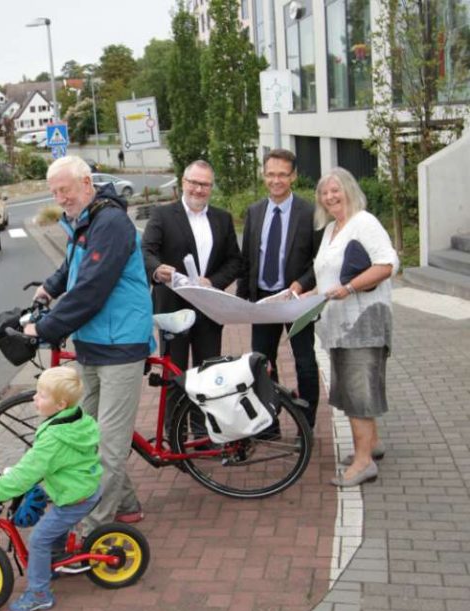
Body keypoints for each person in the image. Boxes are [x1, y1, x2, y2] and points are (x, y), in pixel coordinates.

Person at [23, 155, 154, 530]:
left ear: (85, 183)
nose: (60, 198)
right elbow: (72, 268)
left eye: (64, 190)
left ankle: (91, 530)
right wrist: (47, 291)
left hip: (120, 344)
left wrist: (45, 328)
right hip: (92, 344)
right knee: (89, 438)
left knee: (109, 447)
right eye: (54, 193)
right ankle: (127, 503)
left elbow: (93, 287)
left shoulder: (110, 222)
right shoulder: (84, 220)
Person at [0, 366, 102, 611]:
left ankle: (40, 594)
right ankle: (56, 557)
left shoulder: (53, 439)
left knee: (39, 539)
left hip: (75, 496)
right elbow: (39, 461)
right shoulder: (76, 417)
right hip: (82, 485)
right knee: (51, 524)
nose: (34, 398)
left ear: (60, 404)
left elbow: (25, 474)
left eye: (41, 395)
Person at [312, 167, 398, 487]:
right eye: (325, 192)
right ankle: (371, 445)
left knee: (358, 389)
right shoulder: (333, 228)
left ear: (349, 189)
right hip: (339, 325)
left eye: (336, 190)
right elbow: (327, 280)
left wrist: (349, 289)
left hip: (363, 321)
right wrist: (299, 296)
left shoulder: (364, 222)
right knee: (352, 387)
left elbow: (386, 265)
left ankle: (363, 463)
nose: (331, 196)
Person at [142, 159, 243, 424]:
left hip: (208, 307)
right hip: (172, 309)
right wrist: (156, 270)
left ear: (211, 187)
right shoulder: (162, 215)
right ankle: (175, 435)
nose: (199, 189)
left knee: (207, 373)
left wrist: (213, 281)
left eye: (205, 184)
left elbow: (235, 260)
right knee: (175, 372)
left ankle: (204, 433)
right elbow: (146, 251)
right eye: (194, 183)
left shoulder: (222, 218)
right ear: (183, 182)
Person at [237, 149, 321, 429]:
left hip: (296, 301)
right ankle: (269, 422)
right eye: (271, 174)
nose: (276, 180)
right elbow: (247, 258)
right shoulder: (254, 211)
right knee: (261, 364)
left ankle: (306, 425)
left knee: (305, 363)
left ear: (293, 176)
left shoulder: (309, 212)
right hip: (264, 301)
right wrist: (241, 302)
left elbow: (320, 261)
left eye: (283, 174)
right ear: (263, 175)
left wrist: (302, 284)